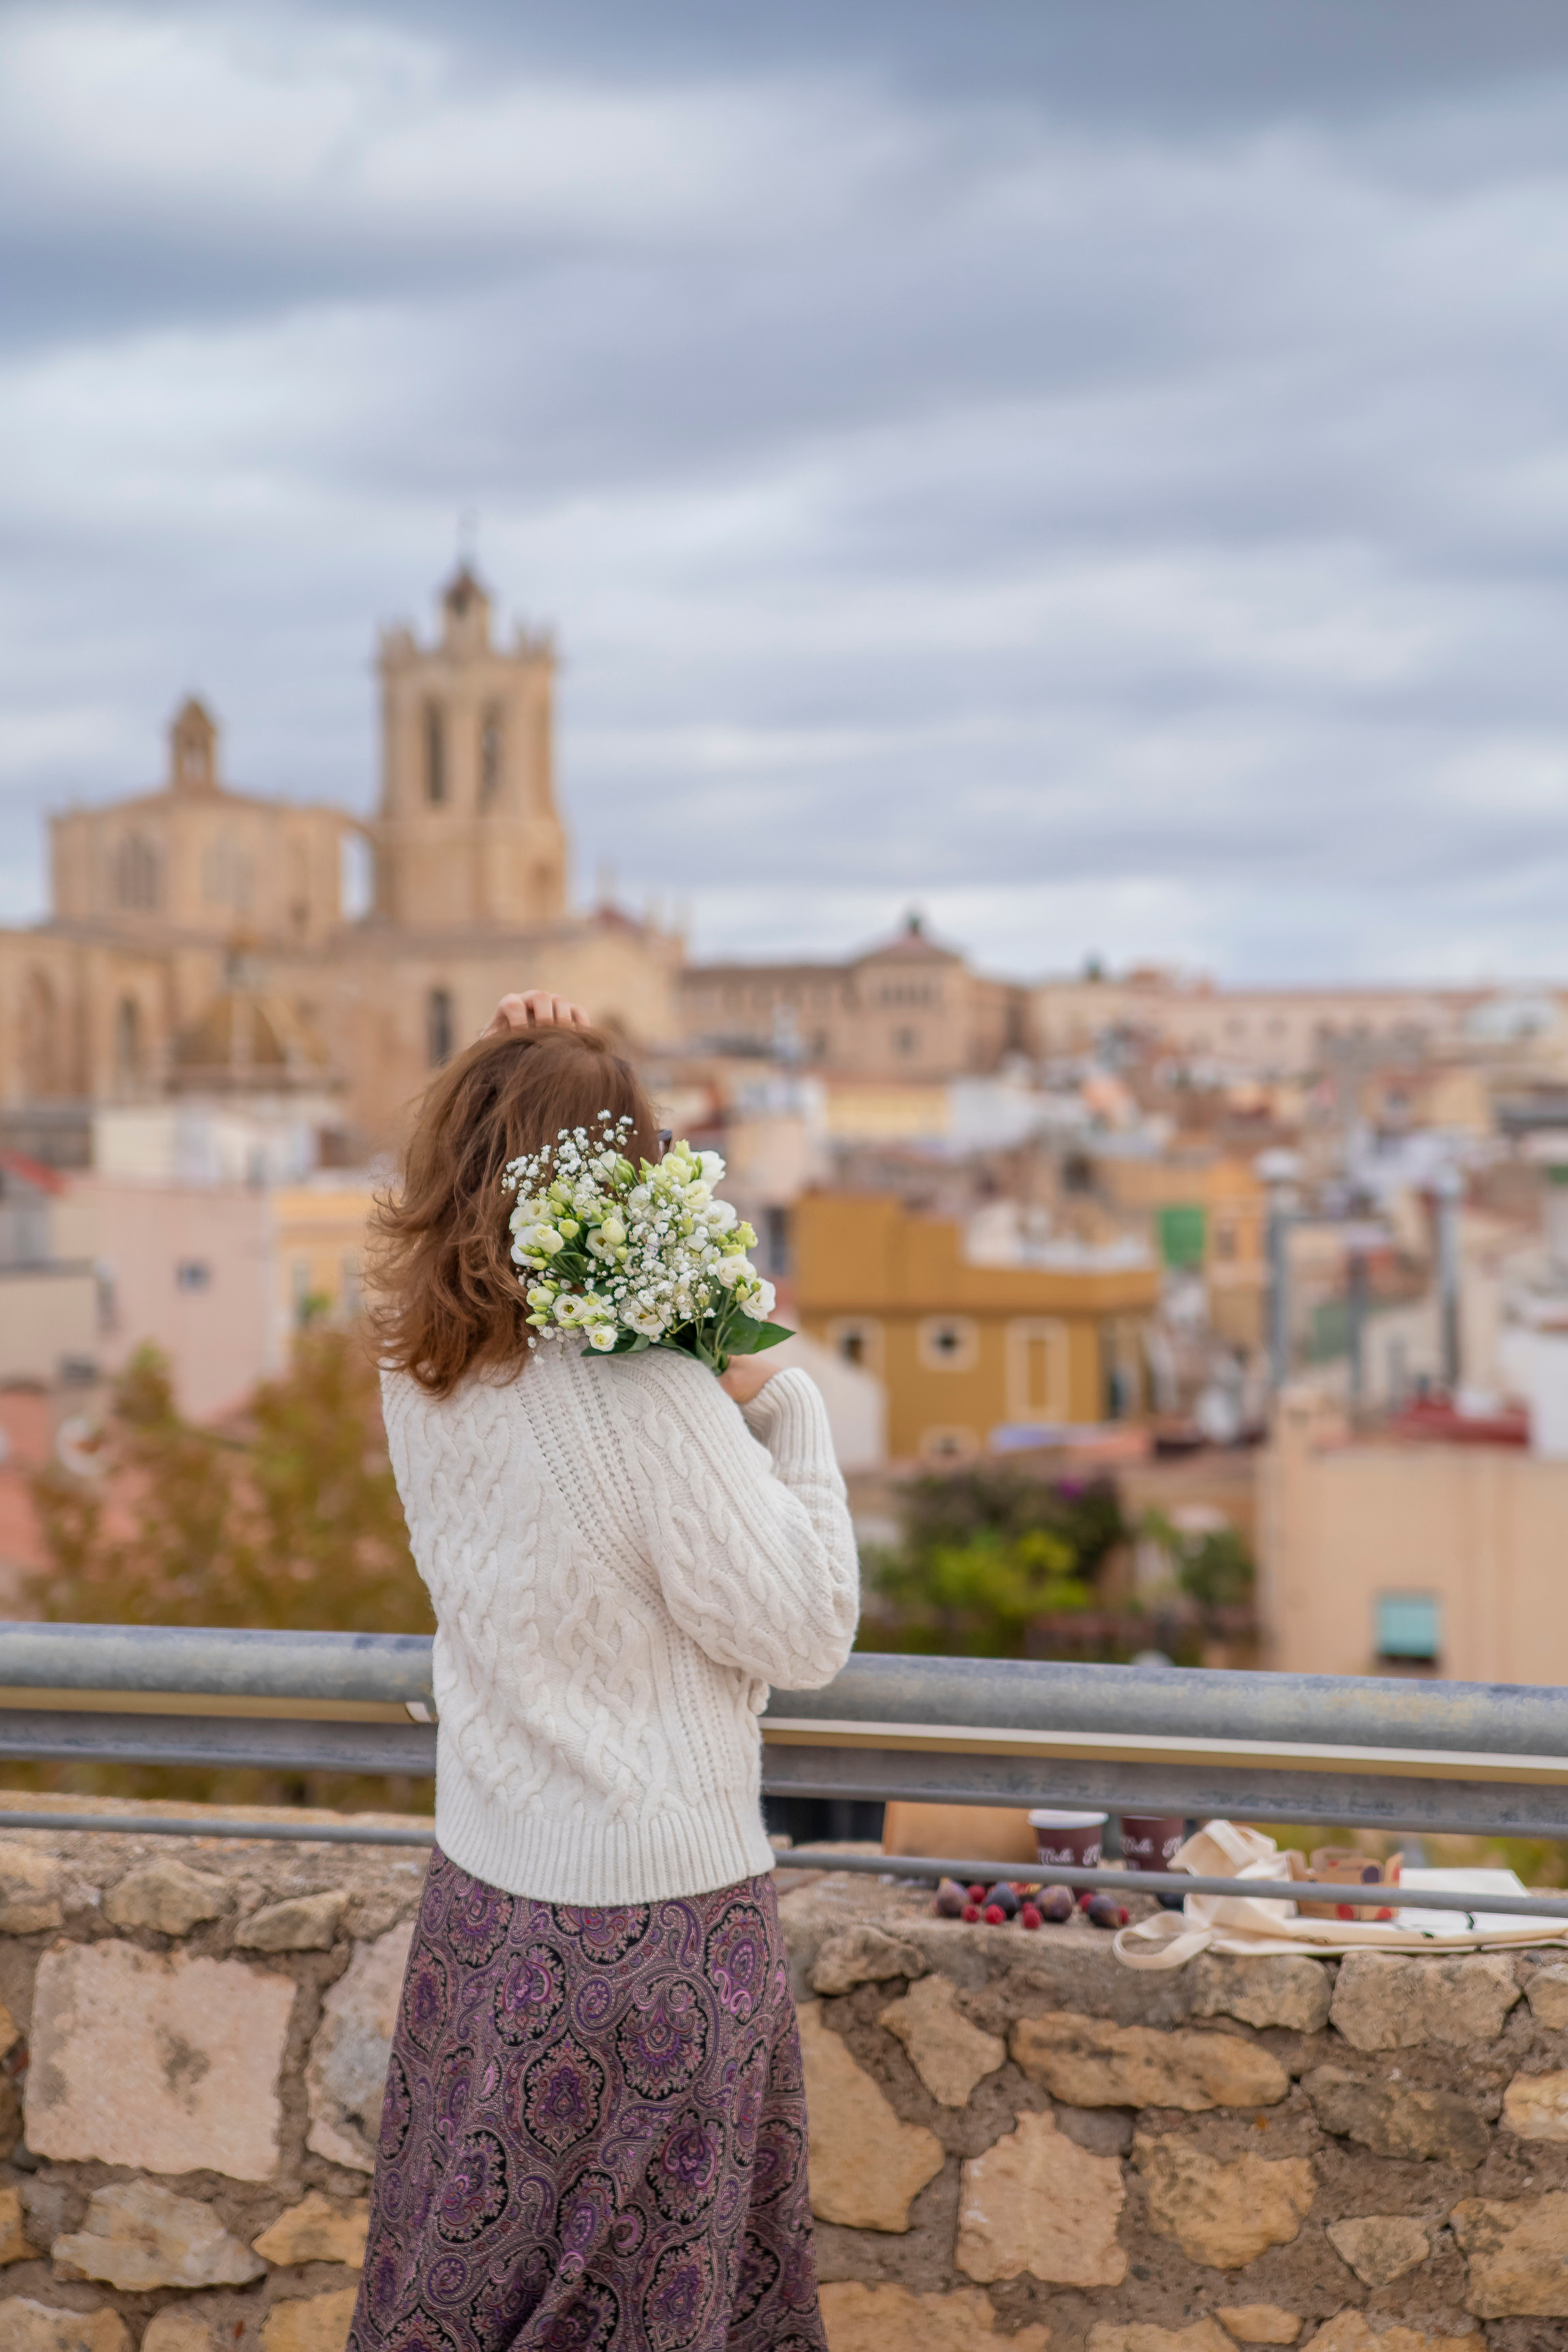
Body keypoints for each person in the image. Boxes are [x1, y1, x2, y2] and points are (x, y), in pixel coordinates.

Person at [351, 990, 858, 2352]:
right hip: (655, 1934)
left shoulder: (421, 1363)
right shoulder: (648, 1395)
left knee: (466, 2294)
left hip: (483, 1904)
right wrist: (788, 1402)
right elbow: (807, 1629)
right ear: (628, 1175)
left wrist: (553, 1065)